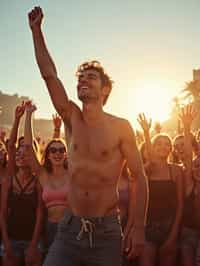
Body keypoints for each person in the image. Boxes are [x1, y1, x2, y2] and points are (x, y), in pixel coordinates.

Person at [28, 6, 148, 266]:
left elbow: (139, 176)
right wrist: (36, 32)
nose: (83, 80)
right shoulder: (72, 117)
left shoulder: (121, 127)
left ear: (105, 89)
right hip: (69, 230)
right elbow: (49, 75)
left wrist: (138, 227)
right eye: (80, 78)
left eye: (91, 77)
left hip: (106, 234)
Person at [137, 113, 183, 266]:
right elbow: (150, 158)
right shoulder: (147, 170)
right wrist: (146, 132)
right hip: (148, 228)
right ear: (153, 148)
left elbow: (180, 205)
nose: (162, 146)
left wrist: (173, 236)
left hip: (170, 227)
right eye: (158, 144)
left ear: (171, 149)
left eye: (166, 144)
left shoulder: (176, 171)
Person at [1, 103, 44, 266]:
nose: (19, 156)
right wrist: (5, 243)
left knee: (34, 260)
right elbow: (3, 212)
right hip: (11, 238)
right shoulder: (9, 179)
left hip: (32, 239)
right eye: (17, 154)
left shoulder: (39, 181)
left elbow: (40, 214)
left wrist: (33, 245)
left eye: (24, 153)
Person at [24, 102, 69, 255]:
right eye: (53, 150)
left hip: (72, 228)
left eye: (62, 150)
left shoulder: (73, 174)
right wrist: (28, 115)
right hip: (50, 228)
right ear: (48, 155)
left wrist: (62, 124)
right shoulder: (44, 176)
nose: (58, 153)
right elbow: (29, 148)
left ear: (66, 154)